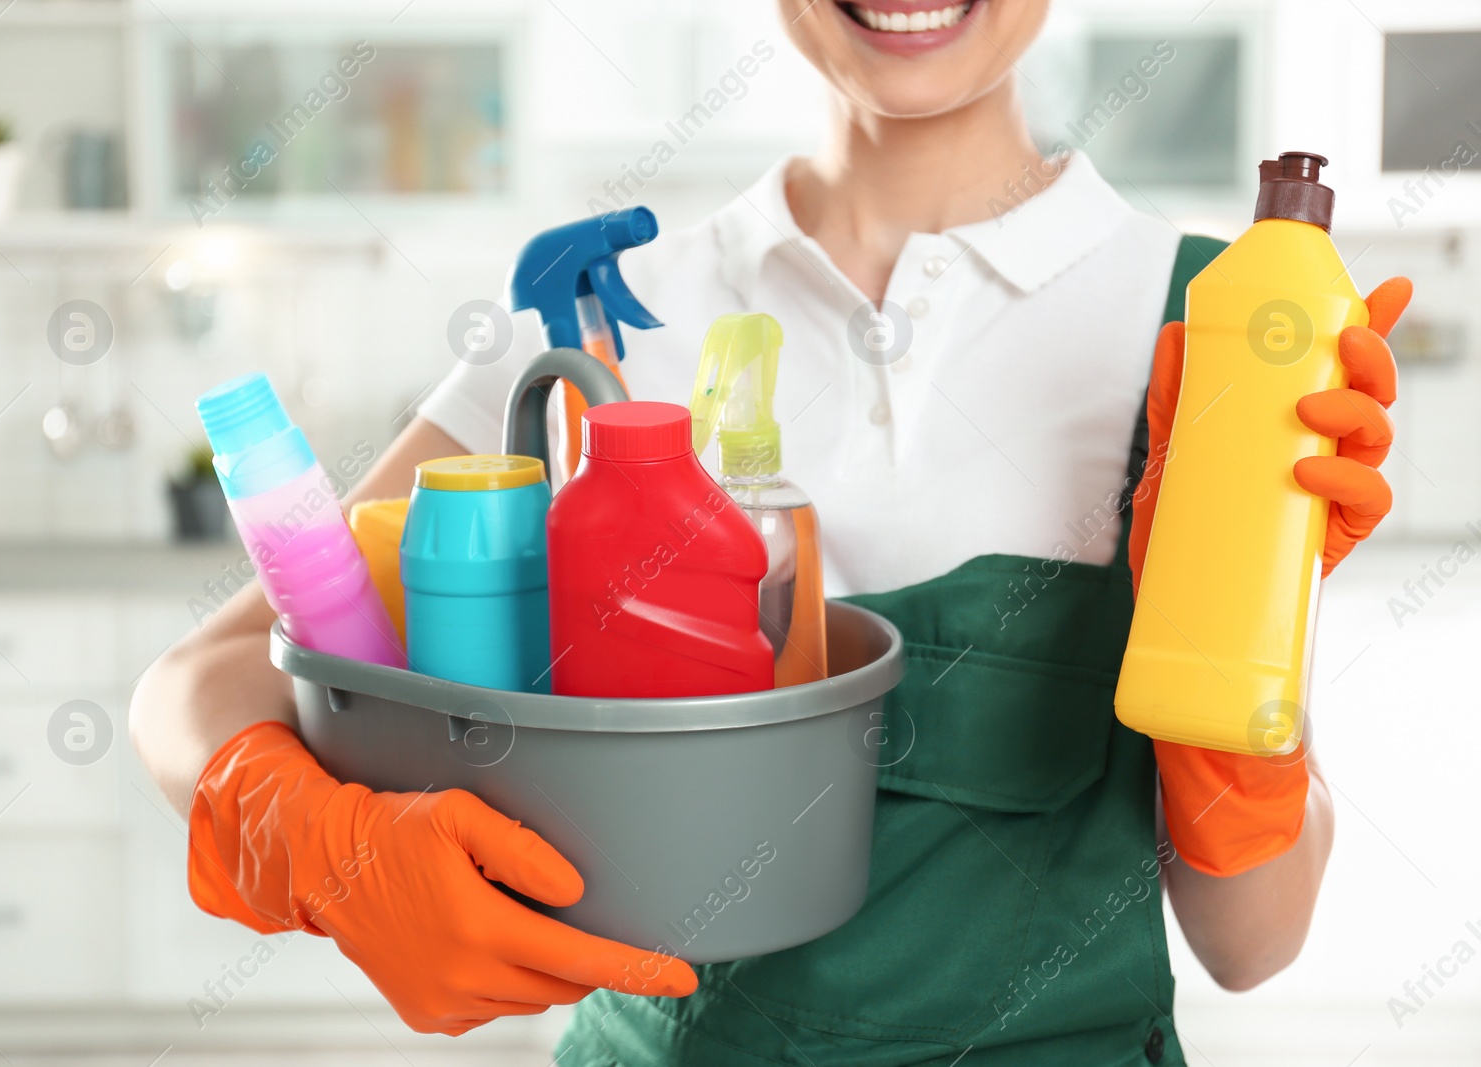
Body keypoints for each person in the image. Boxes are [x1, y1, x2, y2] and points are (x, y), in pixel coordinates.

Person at [131, 0, 1411, 1062]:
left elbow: (1253, 943)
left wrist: (1236, 750)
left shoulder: (1211, 325)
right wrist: (322, 843)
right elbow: (195, 685)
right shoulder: (605, 321)